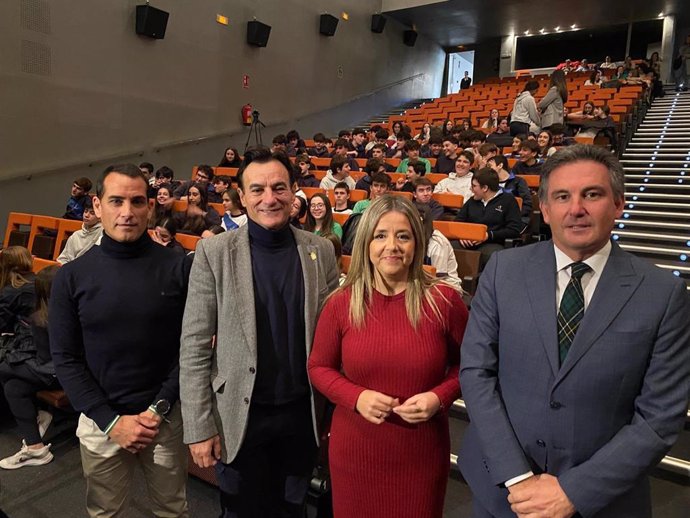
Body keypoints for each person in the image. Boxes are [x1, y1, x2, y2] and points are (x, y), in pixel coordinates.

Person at [458, 144, 690, 518]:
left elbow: (659, 417)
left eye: (592, 195)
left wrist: (574, 491)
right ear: (546, 210)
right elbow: (476, 372)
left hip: (602, 502)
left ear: (618, 204)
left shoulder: (663, 294)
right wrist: (518, 477)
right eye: (562, 196)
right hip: (502, 492)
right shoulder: (503, 271)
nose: (576, 208)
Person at [179, 146, 339, 518]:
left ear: (294, 191)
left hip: (302, 414)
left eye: (279, 188)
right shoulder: (213, 253)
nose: (270, 198)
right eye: (258, 190)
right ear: (242, 196)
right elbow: (194, 344)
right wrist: (199, 426)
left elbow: (335, 335)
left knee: (293, 509)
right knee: (240, 511)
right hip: (239, 414)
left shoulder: (320, 251)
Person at [308, 194, 467, 518]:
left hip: (421, 453)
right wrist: (357, 396)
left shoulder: (445, 300)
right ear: (366, 242)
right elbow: (319, 367)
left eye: (403, 236)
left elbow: (469, 368)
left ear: (416, 244)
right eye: (381, 235)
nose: (391, 246)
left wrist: (439, 397)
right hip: (356, 452)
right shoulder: (342, 302)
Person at [49, 164, 191, 518]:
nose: (127, 212)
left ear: (150, 207)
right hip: (101, 422)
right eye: (116, 201)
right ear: (97, 206)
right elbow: (65, 358)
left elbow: (192, 348)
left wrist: (159, 408)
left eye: (137, 201)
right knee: (105, 513)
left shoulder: (178, 268)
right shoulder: (71, 277)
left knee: (172, 510)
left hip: (164, 417)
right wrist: (111, 421)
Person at [0, 264, 61, 470]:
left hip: (61, 374)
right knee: (14, 388)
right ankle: (36, 448)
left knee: (6, 367)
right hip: (72, 370)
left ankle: (39, 421)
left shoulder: (42, 317)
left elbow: (45, 361)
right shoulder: (80, 307)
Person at [454, 167, 523, 267]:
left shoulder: (508, 201)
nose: (471, 189)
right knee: (447, 247)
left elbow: (514, 230)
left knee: (492, 256)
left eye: (474, 186)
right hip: (469, 241)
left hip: (492, 242)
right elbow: (458, 222)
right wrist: (462, 235)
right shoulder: (472, 201)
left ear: (485, 188)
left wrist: (488, 235)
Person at [488, 154, 533, 226]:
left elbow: (527, 203)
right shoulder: (490, 184)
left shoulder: (518, 181)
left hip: (517, 219)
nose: (487, 170)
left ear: (500, 166)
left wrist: (515, 216)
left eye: (490, 166)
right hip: (495, 220)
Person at [57, 197, 103, 264]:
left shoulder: (104, 234)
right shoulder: (76, 235)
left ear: (100, 216)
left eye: (92, 213)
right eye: (85, 211)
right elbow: (63, 259)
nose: (87, 215)